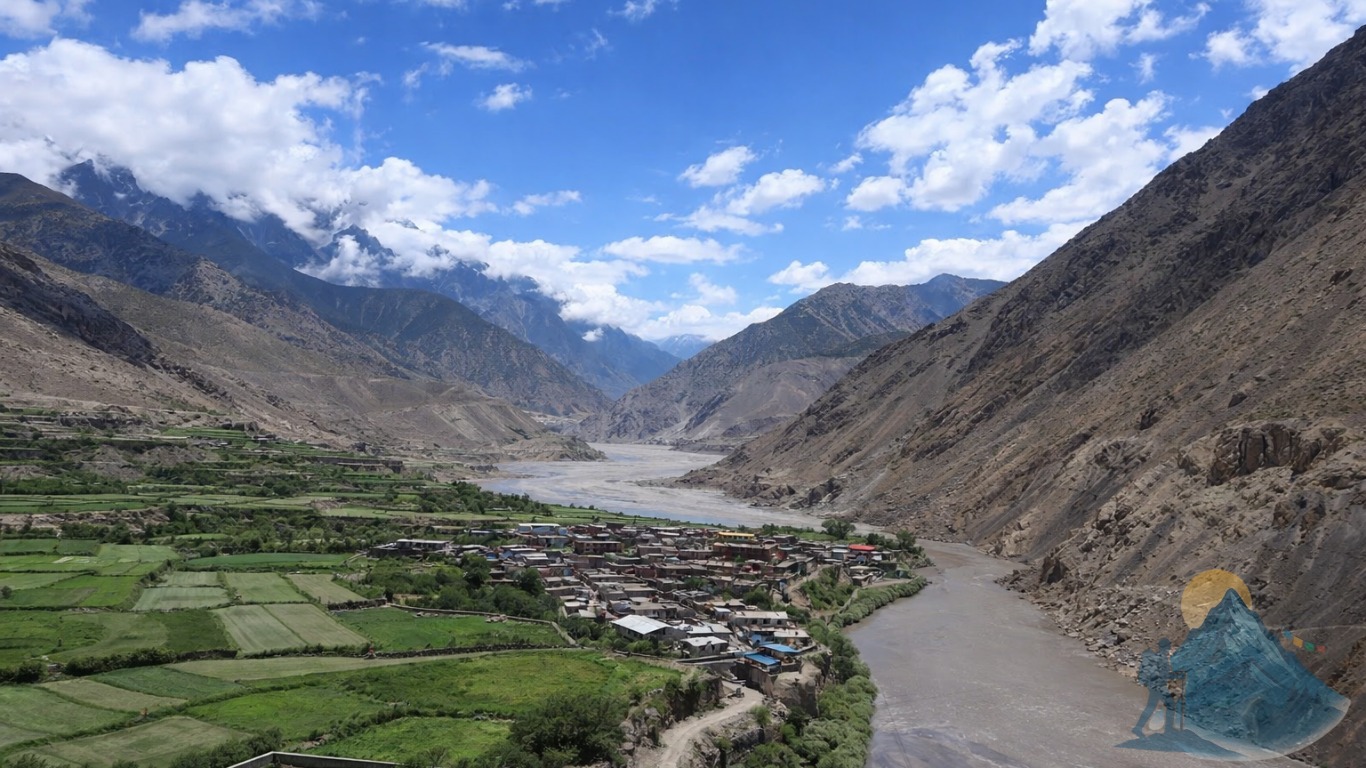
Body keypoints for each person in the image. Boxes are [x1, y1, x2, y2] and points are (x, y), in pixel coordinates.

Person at [1135, 637, 1177, 736]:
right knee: (1162, 705)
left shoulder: (1162, 657)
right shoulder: (1160, 658)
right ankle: (1168, 729)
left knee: (1156, 706)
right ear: (1165, 647)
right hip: (1157, 687)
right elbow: (1155, 673)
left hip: (1158, 686)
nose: (1169, 648)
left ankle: (1138, 728)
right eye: (1168, 646)